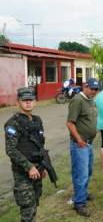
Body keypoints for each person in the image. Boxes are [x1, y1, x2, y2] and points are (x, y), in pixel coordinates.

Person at [4, 87, 47, 222]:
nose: (28, 103)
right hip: (23, 173)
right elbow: (11, 149)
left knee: (35, 203)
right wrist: (29, 167)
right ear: (18, 103)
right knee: (27, 209)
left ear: (35, 102)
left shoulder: (37, 121)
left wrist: (43, 165)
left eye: (31, 100)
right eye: (24, 100)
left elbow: (40, 145)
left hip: (37, 169)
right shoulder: (12, 124)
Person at [66, 78, 99, 217]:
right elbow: (69, 123)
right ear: (85, 86)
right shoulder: (78, 100)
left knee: (87, 171)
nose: (94, 92)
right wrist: (79, 139)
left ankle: (82, 194)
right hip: (80, 144)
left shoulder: (91, 99)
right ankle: (79, 203)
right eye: (92, 89)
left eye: (96, 90)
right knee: (81, 173)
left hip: (88, 143)